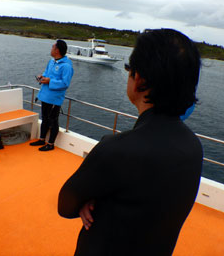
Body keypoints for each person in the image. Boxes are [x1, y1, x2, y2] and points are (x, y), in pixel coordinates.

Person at [58, 29, 203, 256]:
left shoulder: (117, 149)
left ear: (139, 81)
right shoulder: (193, 147)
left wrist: (89, 201)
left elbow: (65, 205)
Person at [30, 39, 73, 151]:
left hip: (54, 99)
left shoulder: (66, 66)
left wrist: (49, 81)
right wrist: (42, 77)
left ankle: (51, 144)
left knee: (53, 121)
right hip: (45, 96)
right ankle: (42, 139)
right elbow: (47, 74)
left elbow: (65, 83)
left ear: (57, 50)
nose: (51, 49)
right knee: (44, 118)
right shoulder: (52, 61)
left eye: (52, 47)